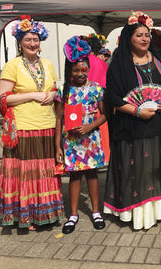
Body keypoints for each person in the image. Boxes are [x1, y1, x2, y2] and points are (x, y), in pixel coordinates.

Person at [104, 11, 161, 230]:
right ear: (129, 39)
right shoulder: (119, 64)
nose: (145, 39)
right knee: (136, 170)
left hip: (159, 124)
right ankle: (136, 214)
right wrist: (137, 111)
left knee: (157, 168)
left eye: (147, 35)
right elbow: (113, 98)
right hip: (132, 126)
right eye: (139, 35)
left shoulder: (160, 59)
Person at [0, 15, 63, 230]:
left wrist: (54, 94)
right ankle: (28, 216)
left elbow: (54, 89)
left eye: (36, 39)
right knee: (27, 173)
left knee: (46, 172)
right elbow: (3, 98)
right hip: (24, 126)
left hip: (48, 124)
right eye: (28, 40)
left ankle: (47, 213)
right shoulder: (12, 65)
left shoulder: (48, 64)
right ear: (20, 43)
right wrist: (31, 95)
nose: (33, 43)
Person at [55, 36, 107, 234]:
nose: (80, 73)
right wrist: (57, 146)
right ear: (70, 70)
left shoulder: (96, 88)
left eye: (83, 69)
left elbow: (104, 115)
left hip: (91, 139)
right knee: (75, 176)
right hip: (71, 141)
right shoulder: (63, 90)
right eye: (76, 70)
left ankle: (96, 212)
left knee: (92, 174)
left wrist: (89, 127)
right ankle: (74, 214)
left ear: (88, 68)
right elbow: (58, 119)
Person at [82, 33, 111, 163]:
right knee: (101, 131)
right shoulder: (102, 63)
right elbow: (106, 83)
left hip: (82, 103)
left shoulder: (83, 61)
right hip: (99, 101)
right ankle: (102, 156)